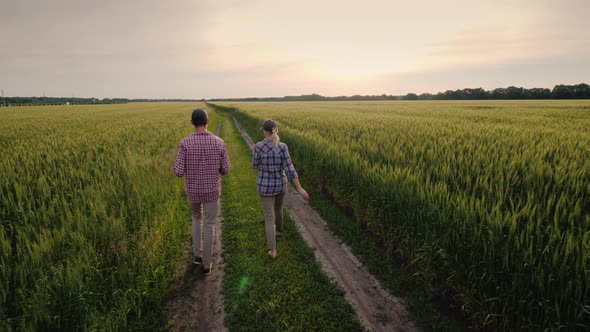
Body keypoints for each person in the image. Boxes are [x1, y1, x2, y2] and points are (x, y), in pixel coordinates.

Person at [174, 108, 231, 275]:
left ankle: (197, 255)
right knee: (209, 223)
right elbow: (226, 169)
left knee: (196, 218)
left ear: (192, 123)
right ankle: (207, 264)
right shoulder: (219, 142)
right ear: (208, 122)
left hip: (193, 191)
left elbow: (177, 171)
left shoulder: (185, 143)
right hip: (212, 190)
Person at [252, 119, 309, 258]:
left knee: (269, 216)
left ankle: (273, 250)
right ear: (275, 131)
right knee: (278, 208)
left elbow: (254, 165)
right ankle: (279, 230)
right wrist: (300, 189)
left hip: (265, 186)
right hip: (280, 185)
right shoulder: (283, 146)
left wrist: (262, 164)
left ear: (265, 132)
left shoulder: (258, 147)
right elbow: (290, 168)